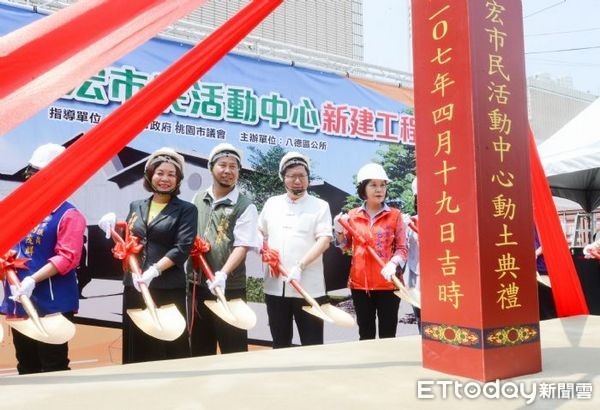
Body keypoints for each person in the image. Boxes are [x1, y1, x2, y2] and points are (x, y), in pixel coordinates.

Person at [98, 147, 197, 364]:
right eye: (160, 173)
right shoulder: (137, 206)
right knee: (137, 346)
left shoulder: (186, 210)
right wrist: (113, 227)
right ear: (149, 175)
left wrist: (154, 270)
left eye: (172, 174)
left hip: (167, 288)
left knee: (169, 348)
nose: (165, 179)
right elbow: (131, 242)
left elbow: (182, 247)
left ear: (178, 180)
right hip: (134, 285)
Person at [1, 143, 86, 374]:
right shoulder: (18, 210)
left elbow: (67, 257)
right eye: (32, 174)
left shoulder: (69, 215)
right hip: (19, 300)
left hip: (52, 301)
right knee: (26, 364)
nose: (35, 180)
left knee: (53, 365)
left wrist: (31, 280)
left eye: (43, 176)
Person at [188, 143, 259, 356]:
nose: (228, 171)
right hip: (197, 285)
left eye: (233, 167)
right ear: (211, 167)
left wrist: (223, 274)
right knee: (200, 348)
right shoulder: (198, 198)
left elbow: (243, 245)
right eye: (223, 165)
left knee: (233, 348)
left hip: (229, 287)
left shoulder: (245, 205)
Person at [258, 151, 332, 348]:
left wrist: (300, 266)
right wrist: (261, 246)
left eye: (302, 175)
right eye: (292, 176)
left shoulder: (320, 206)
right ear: (283, 177)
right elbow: (259, 231)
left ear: (308, 178)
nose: (297, 180)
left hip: (308, 287)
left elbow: (324, 240)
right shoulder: (272, 203)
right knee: (280, 342)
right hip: (276, 286)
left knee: (312, 343)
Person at [333, 163, 407, 340]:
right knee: (365, 334)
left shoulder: (395, 215)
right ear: (363, 188)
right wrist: (338, 230)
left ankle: (388, 367)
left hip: (388, 285)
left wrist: (393, 263)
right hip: (360, 285)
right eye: (373, 185)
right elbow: (344, 246)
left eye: (382, 185)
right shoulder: (352, 215)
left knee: (388, 334)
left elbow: (402, 249)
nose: (379, 189)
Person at [403, 178, 421, 332]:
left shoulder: (448, 221)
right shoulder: (410, 222)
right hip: (416, 282)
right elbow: (403, 249)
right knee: (423, 324)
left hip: (445, 282)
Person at [534, 229, 557, 320]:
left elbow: (548, 242)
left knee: (545, 297)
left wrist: (536, 253)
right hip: (533, 268)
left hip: (543, 267)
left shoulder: (541, 223)